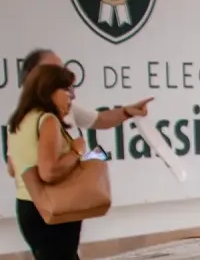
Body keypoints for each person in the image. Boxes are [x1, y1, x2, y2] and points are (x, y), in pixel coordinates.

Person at [8, 49, 151, 180]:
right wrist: (74, 153)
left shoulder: (63, 108)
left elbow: (100, 119)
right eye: (53, 70)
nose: (61, 75)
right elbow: (38, 170)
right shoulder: (37, 119)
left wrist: (126, 112)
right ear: (34, 76)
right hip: (49, 197)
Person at [7, 64, 88, 260]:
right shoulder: (48, 120)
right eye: (67, 89)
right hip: (53, 208)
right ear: (49, 90)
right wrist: (76, 151)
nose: (72, 96)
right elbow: (49, 172)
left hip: (27, 206)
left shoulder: (19, 121)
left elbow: (12, 169)